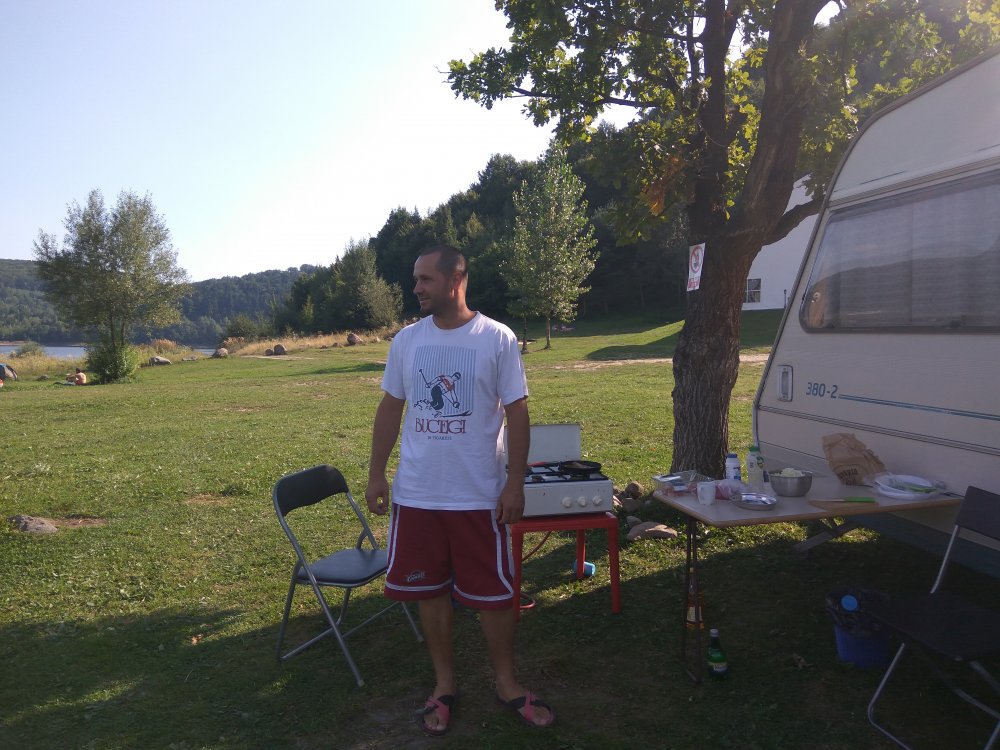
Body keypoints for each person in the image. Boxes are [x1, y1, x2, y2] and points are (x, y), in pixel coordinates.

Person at [366, 244, 554, 735]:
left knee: (494, 595)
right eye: (416, 279)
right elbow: (390, 408)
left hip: (478, 493)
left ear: (455, 281)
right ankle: (444, 685)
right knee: (429, 592)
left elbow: (517, 411)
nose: (416, 288)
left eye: (425, 279)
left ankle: (506, 683)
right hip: (418, 494)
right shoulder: (407, 341)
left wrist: (514, 482)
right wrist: (376, 473)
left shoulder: (496, 338)